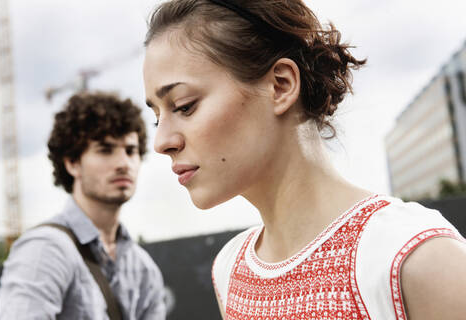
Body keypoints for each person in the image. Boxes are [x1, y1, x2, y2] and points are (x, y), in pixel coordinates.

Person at [142, 0, 466, 319]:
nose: (162, 142)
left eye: (184, 106)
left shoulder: (413, 257)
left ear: (281, 85)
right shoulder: (231, 270)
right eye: (158, 117)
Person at [0, 92, 166, 319]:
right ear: (73, 163)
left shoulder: (143, 267)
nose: (124, 163)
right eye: (105, 149)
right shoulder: (45, 249)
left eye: (130, 150)